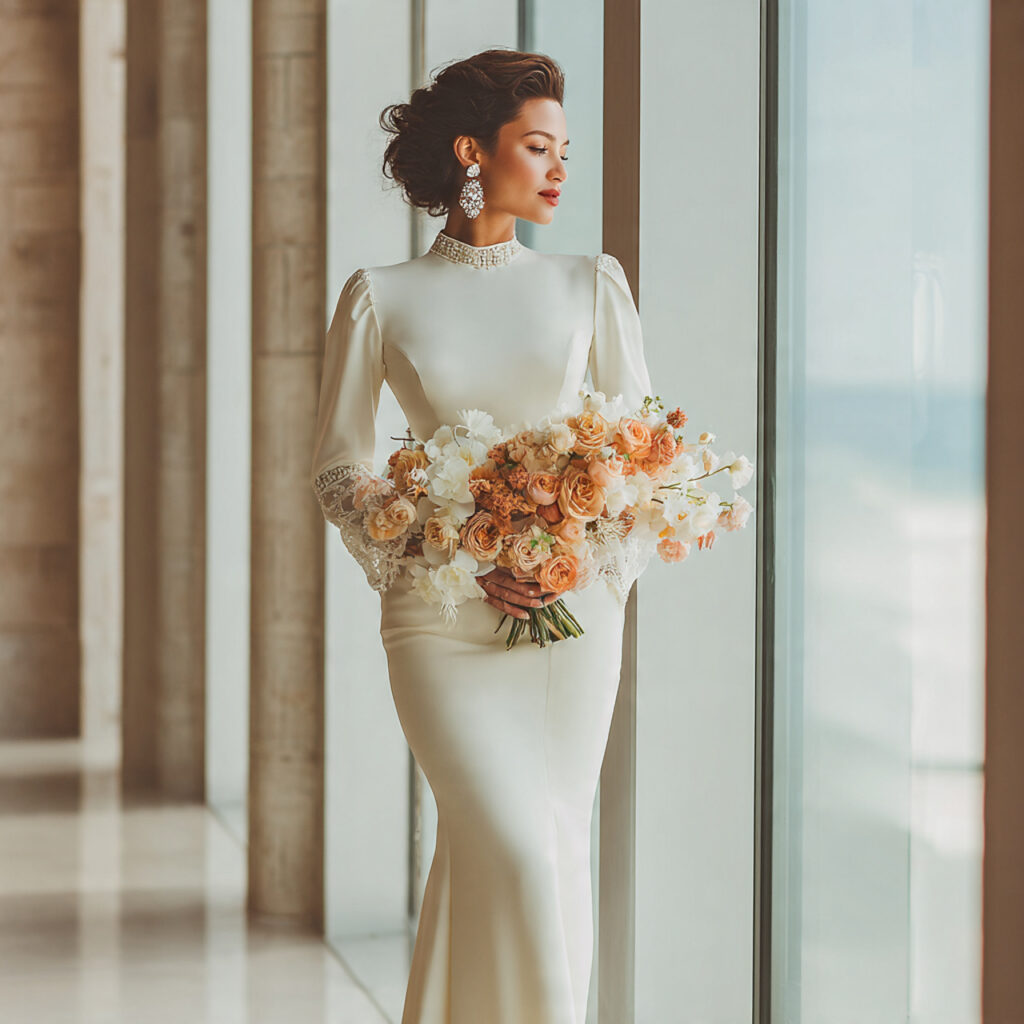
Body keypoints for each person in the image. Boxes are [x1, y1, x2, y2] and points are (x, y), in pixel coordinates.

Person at [310, 48, 652, 1024]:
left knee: (548, 844)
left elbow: (635, 456)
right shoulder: (379, 295)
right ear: (472, 152)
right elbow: (340, 468)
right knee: (510, 842)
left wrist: (570, 555)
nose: (559, 170)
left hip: (569, 616)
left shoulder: (591, 285)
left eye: (565, 151)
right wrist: (453, 550)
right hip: (440, 619)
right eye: (537, 147)